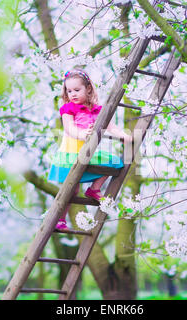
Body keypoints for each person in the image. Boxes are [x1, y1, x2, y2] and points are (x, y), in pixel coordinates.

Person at [48, 68, 132, 230]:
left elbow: (111, 127)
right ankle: (60, 219)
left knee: (115, 162)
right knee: (72, 189)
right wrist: (81, 134)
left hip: (88, 154)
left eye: (77, 90)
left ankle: (94, 189)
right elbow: (69, 129)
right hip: (71, 153)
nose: (72, 94)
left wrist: (125, 136)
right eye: (69, 90)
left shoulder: (97, 109)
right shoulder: (68, 109)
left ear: (88, 88)